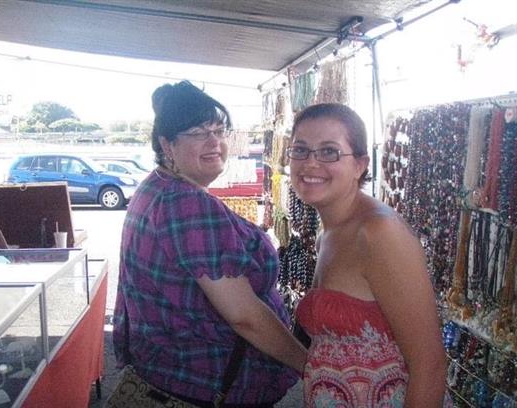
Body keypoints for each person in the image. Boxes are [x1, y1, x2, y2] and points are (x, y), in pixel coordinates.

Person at [113, 81, 306, 407]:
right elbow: (244, 315)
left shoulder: (154, 187)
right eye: (198, 132)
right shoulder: (187, 204)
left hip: (167, 373)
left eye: (219, 130)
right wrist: (309, 366)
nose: (214, 141)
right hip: (205, 384)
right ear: (167, 144)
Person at [289, 103, 450, 407]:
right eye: (300, 150)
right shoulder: (329, 233)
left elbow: (430, 366)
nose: (310, 163)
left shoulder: (378, 233)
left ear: (360, 164)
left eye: (329, 152)